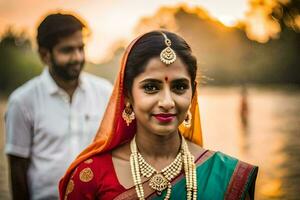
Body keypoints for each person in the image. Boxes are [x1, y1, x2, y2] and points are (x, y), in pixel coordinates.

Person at [59, 30, 258, 200]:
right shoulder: (91, 175)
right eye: (151, 87)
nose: (167, 102)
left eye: (179, 87)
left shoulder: (225, 174)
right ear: (127, 94)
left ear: (193, 92)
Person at [5, 12, 112, 200]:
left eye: (81, 48)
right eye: (67, 50)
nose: (77, 57)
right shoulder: (22, 101)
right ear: (45, 55)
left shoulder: (104, 93)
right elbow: (17, 169)